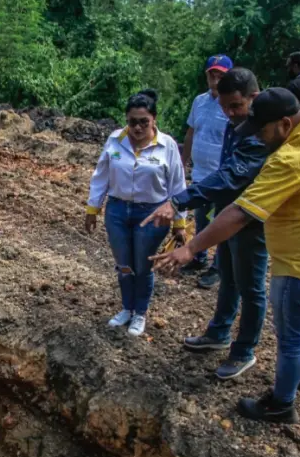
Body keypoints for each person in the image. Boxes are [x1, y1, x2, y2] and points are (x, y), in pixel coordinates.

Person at [153, 88, 300, 423]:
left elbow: (240, 213)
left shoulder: (289, 159)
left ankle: (280, 404)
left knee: (290, 339)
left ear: (285, 124)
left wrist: (190, 248)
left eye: (263, 131)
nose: (260, 139)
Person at [141, 68, 271, 380]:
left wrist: (179, 201)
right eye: (226, 106)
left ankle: (244, 351)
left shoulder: (261, 132)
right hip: (227, 211)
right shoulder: (238, 123)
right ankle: (219, 333)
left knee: (251, 288)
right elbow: (225, 173)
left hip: (251, 219)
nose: (230, 113)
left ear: (255, 95)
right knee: (227, 274)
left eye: (236, 106)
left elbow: (231, 176)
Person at [85, 89, 187, 337]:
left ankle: (140, 312)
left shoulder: (168, 146)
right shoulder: (115, 140)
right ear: (126, 121)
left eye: (144, 122)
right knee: (124, 264)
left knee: (143, 265)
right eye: (132, 122)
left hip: (152, 214)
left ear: (154, 120)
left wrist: (179, 222)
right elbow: (101, 177)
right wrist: (92, 208)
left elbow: (178, 185)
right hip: (118, 210)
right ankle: (126, 308)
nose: (138, 127)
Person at [180, 54, 233, 289]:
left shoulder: (231, 104)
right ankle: (199, 257)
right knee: (201, 218)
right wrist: (183, 161)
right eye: (213, 73)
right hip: (200, 173)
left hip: (222, 176)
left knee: (221, 222)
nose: (216, 78)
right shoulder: (199, 101)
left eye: (221, 74)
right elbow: (191, 132)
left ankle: (217, 267)